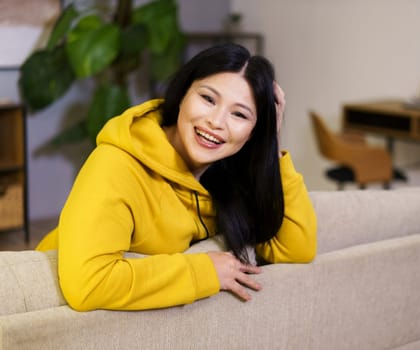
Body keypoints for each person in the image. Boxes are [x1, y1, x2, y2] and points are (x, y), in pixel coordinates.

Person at [36, 43, 317, 311]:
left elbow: (296, 249)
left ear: (253, 132)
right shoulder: (116, 165)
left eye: (239, 115)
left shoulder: (228, 176)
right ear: (183, 94)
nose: (216, 122)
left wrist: (274, 143)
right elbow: (88, 283)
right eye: (208, 99)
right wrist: (204, 271)